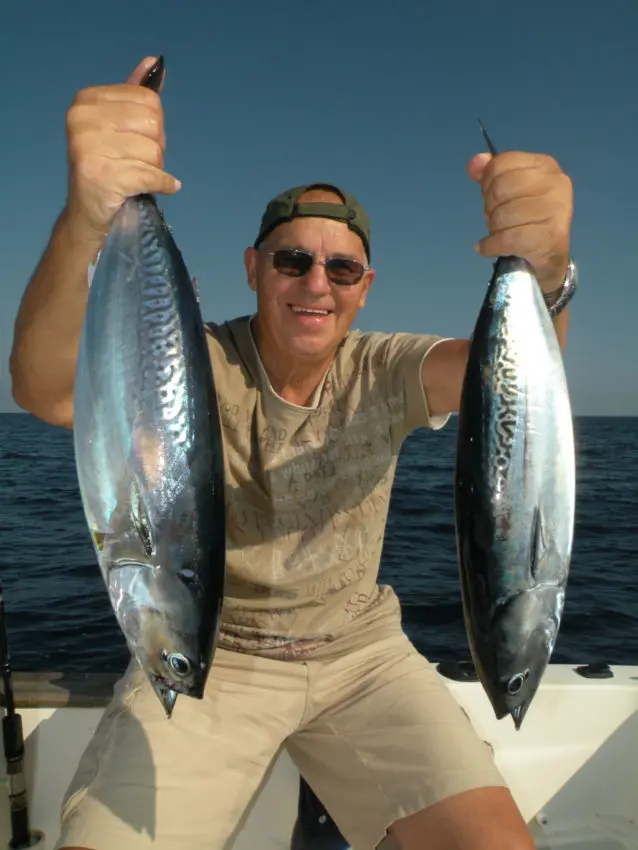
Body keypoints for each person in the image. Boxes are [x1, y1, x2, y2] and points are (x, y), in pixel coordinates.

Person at [10, 55, 576, 850]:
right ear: (254, 269)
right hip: (210, 652)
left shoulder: (386, 367)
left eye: (341, 266)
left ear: (366, 284)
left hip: (363, 657)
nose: (317, 282)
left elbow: (506, 379)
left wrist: (547, 279)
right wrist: (87, 216)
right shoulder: (190, 357)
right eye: (291, 259)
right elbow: (44, 390)